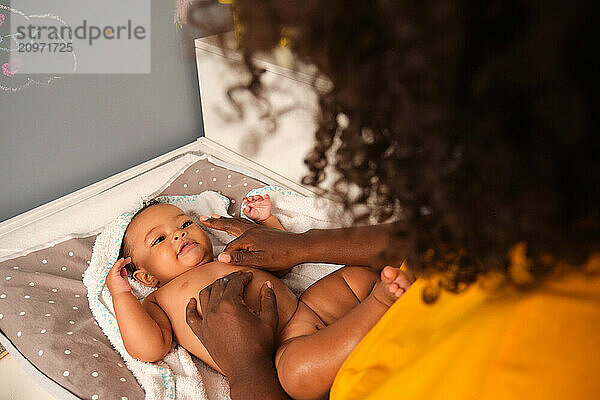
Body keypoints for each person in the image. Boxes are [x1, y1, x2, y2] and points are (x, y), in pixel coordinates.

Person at [182, 0, 600, 399]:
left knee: (296, 371)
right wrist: (302, 244)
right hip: (350, 315)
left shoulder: (510, 371)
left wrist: (247, 369)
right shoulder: (541, 205)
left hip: (313, 342)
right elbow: (454, 235)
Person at [106, 195, 414, 399]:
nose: (179, 234)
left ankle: (382, 290)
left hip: (306, 306)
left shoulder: (227, 256)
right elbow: (148, 348)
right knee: (298, 374)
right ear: (146, 277)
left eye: (185, 224)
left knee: (355, 277)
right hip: (279, 350)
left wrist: (268, 224)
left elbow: (279, 262)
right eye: (159, 239)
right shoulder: (158, 300)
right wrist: (122, 296)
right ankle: (382, 303)